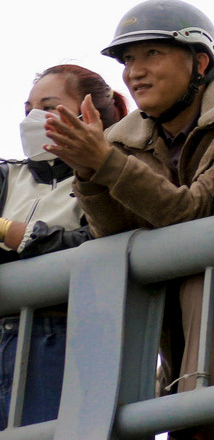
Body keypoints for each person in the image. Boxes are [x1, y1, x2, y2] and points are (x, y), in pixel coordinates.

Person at [45, 0, 214, 440]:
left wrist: (105, 163)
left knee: (201, 281)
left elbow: (193, 211)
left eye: (152, 54)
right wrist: (89, 173)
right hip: (170, 316)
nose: (135, 71)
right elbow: (116, 234)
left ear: (200, 62)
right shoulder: (118, 141)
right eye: (129, 59)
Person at [1, 66, 127, 426]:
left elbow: (100, 241)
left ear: (90, 113)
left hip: (66, 342)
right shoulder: (7, 175)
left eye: (49, 106)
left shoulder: (112, 175)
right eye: (29, 110)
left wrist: (13, 233)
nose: (34, 118)